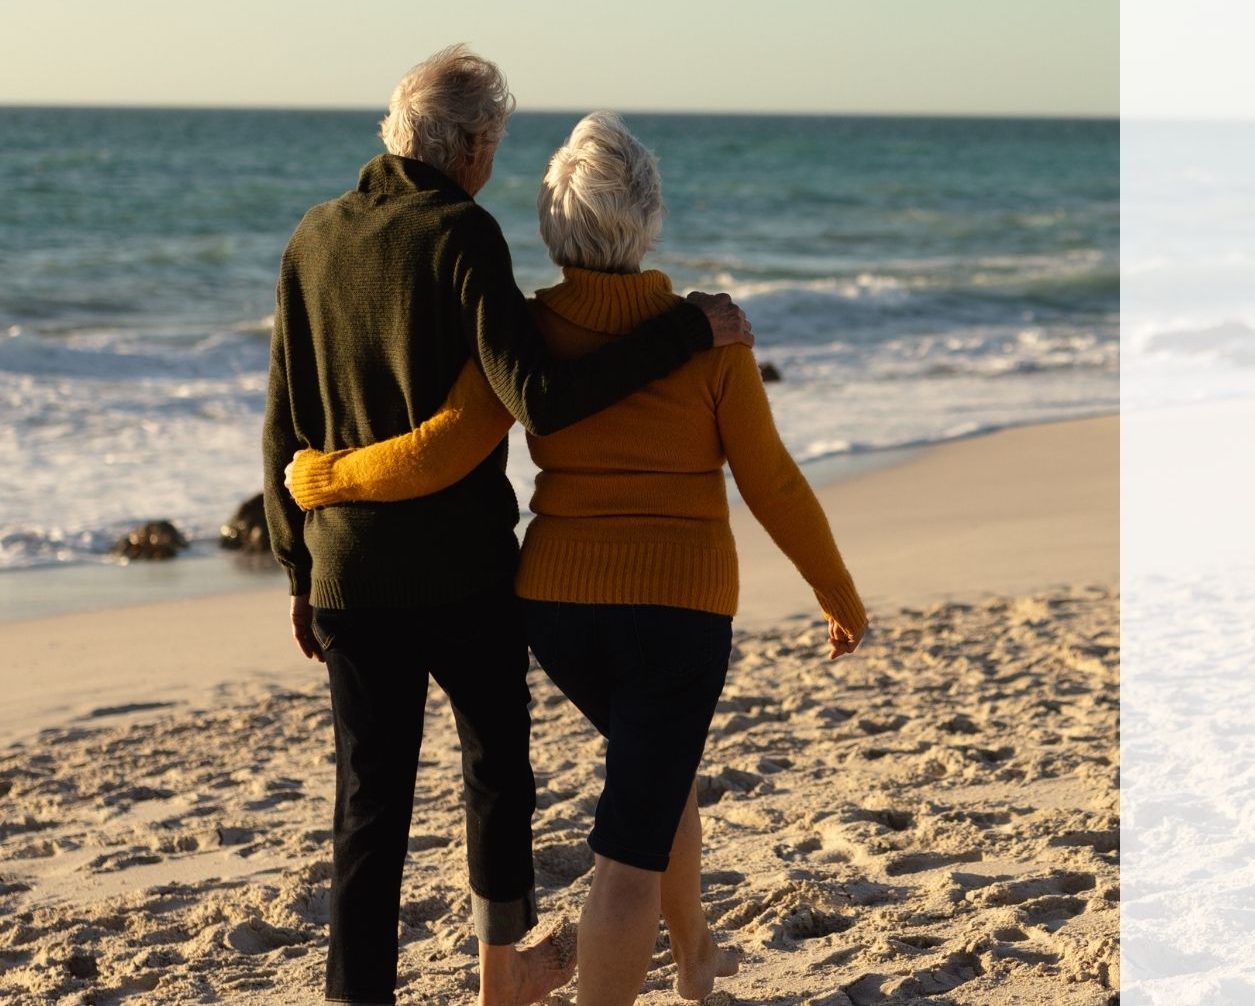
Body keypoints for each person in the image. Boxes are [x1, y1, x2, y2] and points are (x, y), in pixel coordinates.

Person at [287, 111, 869, 1005]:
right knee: (625, 855)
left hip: (556, 613)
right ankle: (676, 955)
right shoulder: (709, 339)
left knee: (657, 775)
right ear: (649, 216)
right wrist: (839, 594)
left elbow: (441, 449)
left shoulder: (524, 334)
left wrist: (327, 477)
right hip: (676, 617)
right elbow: (773, 485)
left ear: (553, 224)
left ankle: (697, 956)